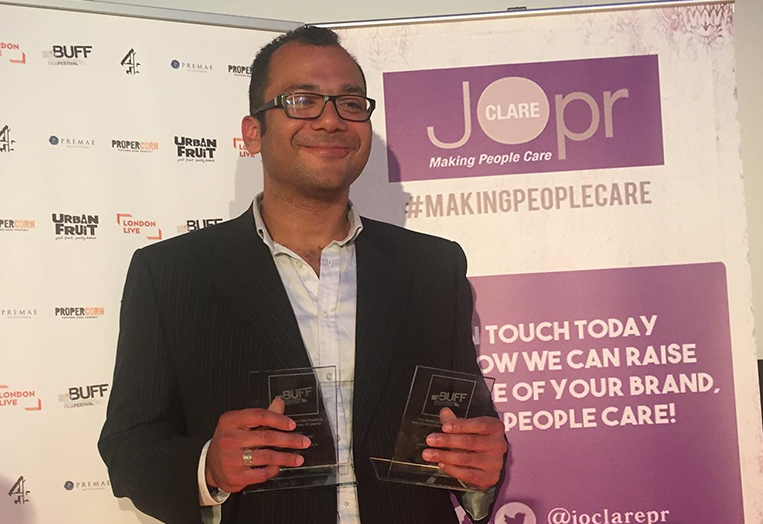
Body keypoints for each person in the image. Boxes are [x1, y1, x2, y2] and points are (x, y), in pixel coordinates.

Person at [98, 25, 507, 524]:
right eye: (302, 100)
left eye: (351, 103)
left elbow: (466, 429)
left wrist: (479, 468)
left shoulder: (433, 266)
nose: (331, 121)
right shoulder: (171, 274)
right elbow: (129, 446)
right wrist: (209, 466)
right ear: (253, 132)